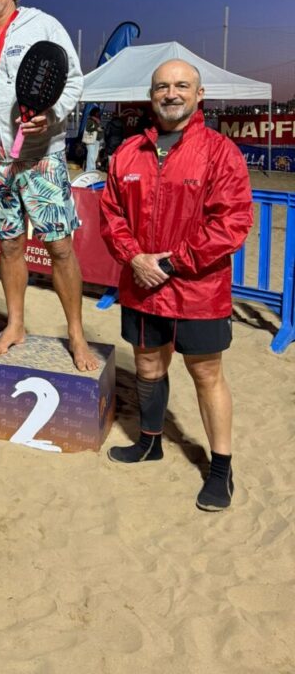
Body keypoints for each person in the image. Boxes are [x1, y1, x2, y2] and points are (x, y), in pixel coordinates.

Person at [99, 60, 252, 511]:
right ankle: (150, 442)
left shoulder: (220, 152)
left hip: (198, 291)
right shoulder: (128, 152)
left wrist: (170, 263)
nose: (171, 93)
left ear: (199, 95)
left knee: (206, 374)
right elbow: (111, 215)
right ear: (151, 96)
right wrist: (134, 257)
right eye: (162, 86)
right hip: (142, 286)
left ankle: (220, 469)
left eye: (182, 85)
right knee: (147, 366)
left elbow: (232, 223)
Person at [0, 0, 97, 370]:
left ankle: (76, 334)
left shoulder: (43, 25)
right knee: (9, 247)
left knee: (59, 247)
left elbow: (74, 79)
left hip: (41, 158)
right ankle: (16, 324)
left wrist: (52, 115)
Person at [82, 106, 103, 172]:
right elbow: (88, 128)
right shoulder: (90, 120)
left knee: (95, 155)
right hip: (91, 139)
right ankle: (89, 169)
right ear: (94, 112)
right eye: (98, 112)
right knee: (91, 155)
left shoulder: (97, 121)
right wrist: (97, 129)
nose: (99, 113)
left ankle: (92, 168)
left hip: (97, 139)